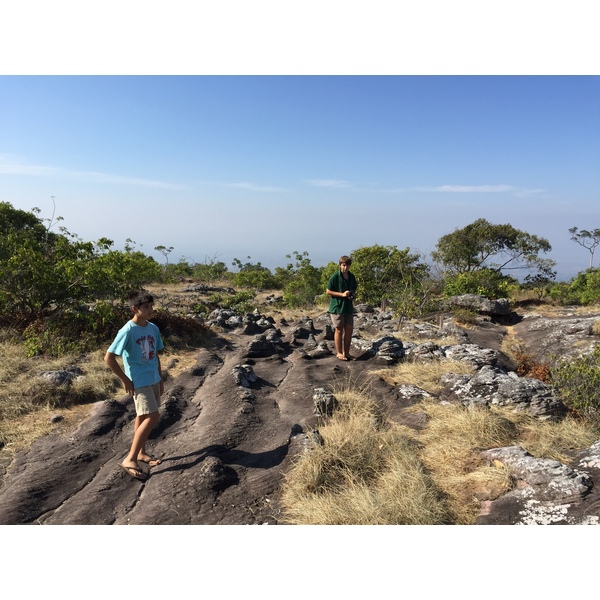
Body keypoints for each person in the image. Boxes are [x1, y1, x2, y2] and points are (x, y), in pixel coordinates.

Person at [104, 290, 165, 481]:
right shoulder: (128, 330)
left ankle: (141, 453)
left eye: (151, 306)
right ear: (135, 309)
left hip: (153, 377)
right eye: (145, 307)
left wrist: (160, 377)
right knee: (154, 416)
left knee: (143, 415)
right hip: (139, 381)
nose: (150, 310)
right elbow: (109, 357)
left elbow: (155, 354)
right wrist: (125, 379)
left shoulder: (153, 328)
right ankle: (130, 459)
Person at [326, 255, 358, 361]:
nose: (345, 267)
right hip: (337, 307)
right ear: (340, 265)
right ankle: (339, 353)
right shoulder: (334, 277)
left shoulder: (351, 276)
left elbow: (354, 289)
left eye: (347, 265)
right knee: (339, 329)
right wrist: (342, 294)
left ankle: (347, 353)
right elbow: (328, 291)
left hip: (348, 307)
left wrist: (351, 294)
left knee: (349, 329)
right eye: (343, 265)